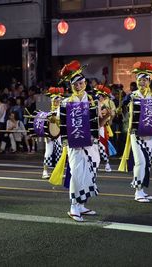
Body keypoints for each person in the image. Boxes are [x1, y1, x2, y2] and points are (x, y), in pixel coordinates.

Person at [50, 60, 101, 222]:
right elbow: (60, 122)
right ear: (71, 86)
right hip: (74, 144)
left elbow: (96, 121)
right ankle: (73, 206)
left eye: (81, 83)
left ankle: (81, 204)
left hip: (91, 143)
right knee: (77, 173)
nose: (78, 86)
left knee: (90, 172)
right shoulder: (66, 103)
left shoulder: (92, 100)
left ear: (85, 83)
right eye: (75, 84)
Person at [118, 62, 152, 203]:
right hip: (136, 133)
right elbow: (122, 107)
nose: (142, 82)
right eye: (139, 80)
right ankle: (137, 191)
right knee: (140, 162)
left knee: (148, 162)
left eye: (144, 80)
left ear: (149, 81)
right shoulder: (133, 95)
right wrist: (124, 102)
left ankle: (142, 190)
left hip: (150, 134)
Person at [42, 87, 64, 179]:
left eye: (59, 100)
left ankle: (58, 171)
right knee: (48, 152)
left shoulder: (61, 111)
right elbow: (45, 124)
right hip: (50, 134)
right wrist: (46, 135)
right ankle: (45, 171)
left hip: (59, 134)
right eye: (56, 100)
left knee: (59, 153)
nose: (57, 102)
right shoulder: (49, 112)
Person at [95, 84, 114, 172]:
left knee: (102, 146)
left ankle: (107, 163)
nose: (99, 97)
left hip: (102, 127)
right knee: (93, 146)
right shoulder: (93, 103)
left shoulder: (106, 105)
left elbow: (110, 114)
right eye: (98, 95)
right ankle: (95, 163)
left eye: (101, 96)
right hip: (92, 126)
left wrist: (107, 114)